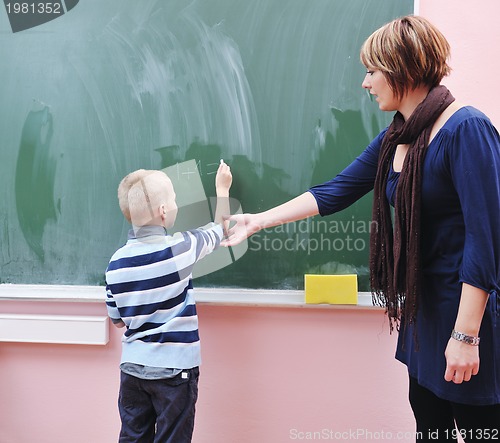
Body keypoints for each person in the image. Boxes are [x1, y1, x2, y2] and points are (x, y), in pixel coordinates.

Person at [222, 15, 500, 442]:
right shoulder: (399, 136)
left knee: (483, 433)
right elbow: (335, 190)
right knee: (431, 428)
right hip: (424, 314)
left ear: (402, 69)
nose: (365, 83)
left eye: (372, 71)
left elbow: (486, 242)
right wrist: (258, 220)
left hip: (468, 319)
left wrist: (465, 336)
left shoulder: (467, 129)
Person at [105, 161, 232, 442]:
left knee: (133, 437)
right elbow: (222, 229)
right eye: (174, 199)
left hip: (132, 371)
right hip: (175, 372)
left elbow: (117, 321)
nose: (175, 204)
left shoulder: (115, 264)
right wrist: (222, 190)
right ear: (164, 211)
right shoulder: (179, 249)